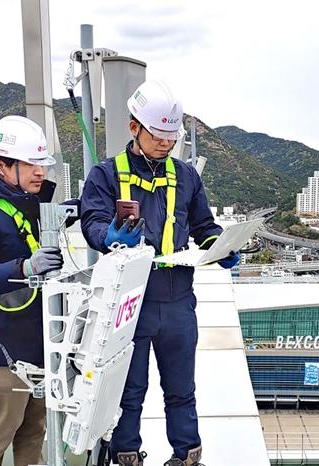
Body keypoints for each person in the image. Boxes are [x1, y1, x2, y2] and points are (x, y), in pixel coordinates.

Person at [80, 79, 239, 466]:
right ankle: (126, 454)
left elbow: (204, 226)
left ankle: (187, 454)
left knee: (181, 388)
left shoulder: (186, 176)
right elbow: (93, 222)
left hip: (179, 299)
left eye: (171, 137)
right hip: (130, 302)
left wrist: (223, 247)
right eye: (158, 136)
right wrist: (108, 236)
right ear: (134, 127)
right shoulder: (106, 175)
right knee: (129, 389)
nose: (166, 143)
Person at [0, 116, 65, 466]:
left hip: (35, 340)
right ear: (1, 164)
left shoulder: (25, 200)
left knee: (33, 427)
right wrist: (23, 268)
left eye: (41, 163)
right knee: (0, 430)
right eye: (30, 163)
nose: (40, 171)